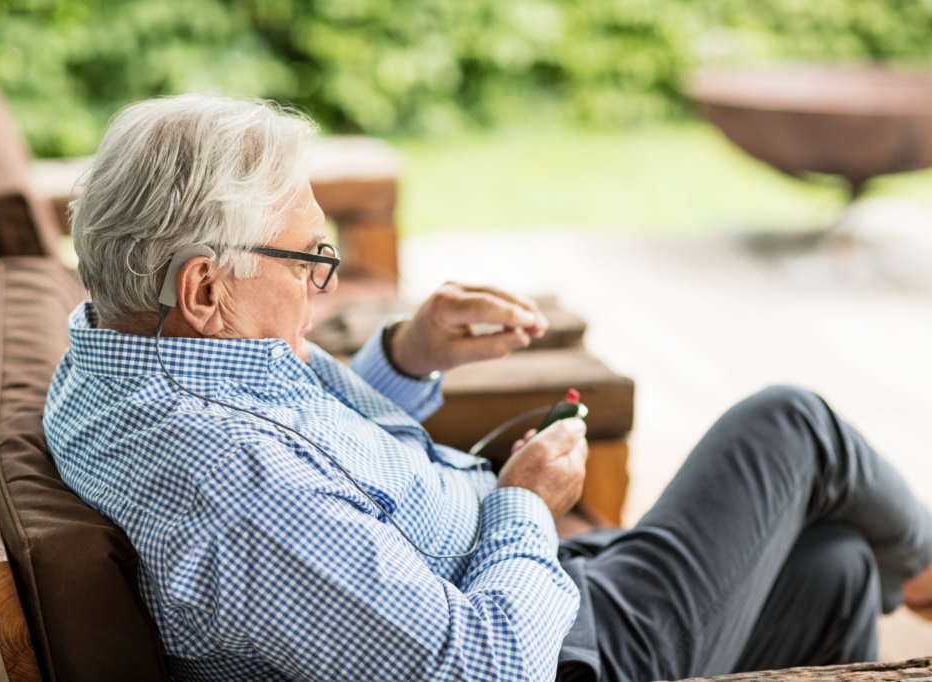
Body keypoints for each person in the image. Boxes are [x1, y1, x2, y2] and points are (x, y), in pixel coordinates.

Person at [45, 93, 932, 682]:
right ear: (205, 287)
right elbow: (480, 664)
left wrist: (411, 354)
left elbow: (317, 457)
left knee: (836, 568)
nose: (327, 279)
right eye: (312, 258)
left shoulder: (129, 351)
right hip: (550, 646)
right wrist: (528, 508)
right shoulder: (230, 485)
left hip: (520, 579)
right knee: (788, 424)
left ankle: (905, 568)